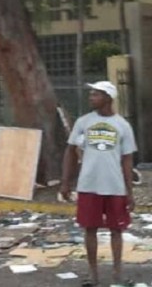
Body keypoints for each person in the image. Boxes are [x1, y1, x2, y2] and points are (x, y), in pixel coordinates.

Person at [60, 81, 137, 287]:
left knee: (116, 230)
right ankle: (93, 275)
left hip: (115, 186)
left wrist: (129, 191)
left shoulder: (123, 125)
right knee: (90, 228)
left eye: (96, 94)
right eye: (91, 94)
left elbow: (127, 159)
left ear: (108, 98)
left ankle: (117, 274)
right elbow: (70, 151)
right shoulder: (83, 122)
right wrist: (65, 182)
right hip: (88, 185)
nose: (91, 97)